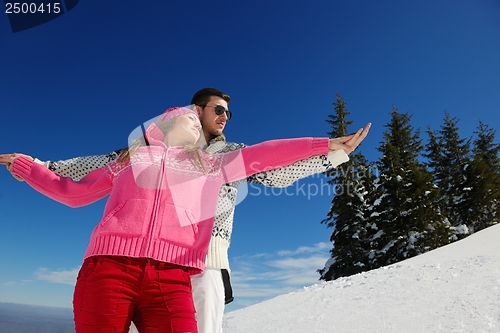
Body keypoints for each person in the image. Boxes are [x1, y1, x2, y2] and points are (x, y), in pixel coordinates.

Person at [1, 88, 371, 333]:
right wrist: (36, 165)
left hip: (197, 262)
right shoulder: (133, 156)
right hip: (115, 263)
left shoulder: (223, 158)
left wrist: (330, 151)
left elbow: (271, 164)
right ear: (192, 112)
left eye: (229, 112)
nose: (225, 117)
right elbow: (82, 176)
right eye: (218, 109)